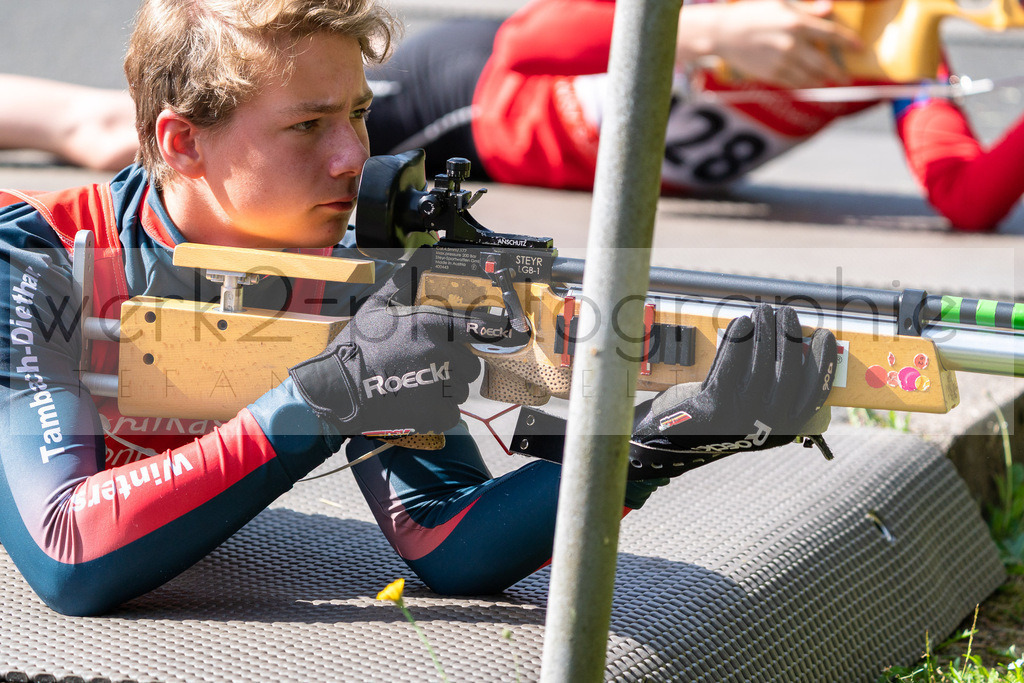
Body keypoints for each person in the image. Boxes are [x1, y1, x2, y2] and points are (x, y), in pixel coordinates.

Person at [0, 0, 836, 617]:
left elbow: (448, 539)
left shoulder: (346, 271)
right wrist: (318, 402)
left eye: (360, 112)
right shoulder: (34, 259)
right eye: (308, 126)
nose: (353, 156)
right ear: (182, 141)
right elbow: (69, 553)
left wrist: (663, 437)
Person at [4, 0, 1016, 232]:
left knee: (111, 128)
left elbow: (963, 197)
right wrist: (702, 31)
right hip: (472, 98)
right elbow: (531, 41)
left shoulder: (899, 55)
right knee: (115, 137)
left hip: (516, 122)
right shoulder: (738, 10)